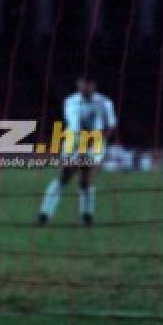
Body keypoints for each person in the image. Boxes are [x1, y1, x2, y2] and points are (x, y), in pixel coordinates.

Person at [38, 75, 117, 226]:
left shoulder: (105, 103)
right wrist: (80, 149)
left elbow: (111, 125)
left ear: (94, 85)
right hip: (74, 141)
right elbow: (75, 126)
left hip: (96, 142)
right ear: (78, 84)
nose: (86, 87)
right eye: (83, 83)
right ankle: (44, 215)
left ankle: (87, 216)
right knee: (64, 176)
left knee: (86, 179)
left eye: (89, 83)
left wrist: (99, 140)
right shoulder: (70, 102)